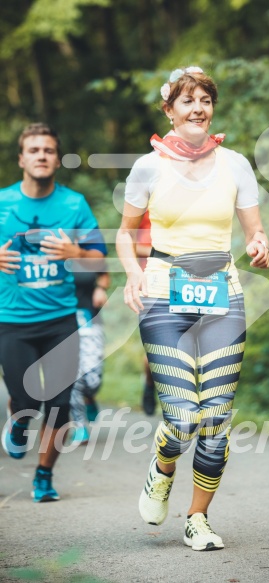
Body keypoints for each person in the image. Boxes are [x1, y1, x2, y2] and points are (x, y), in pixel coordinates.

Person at [116, 66, 269, 551]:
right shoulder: (148, 167)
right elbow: (125, 232)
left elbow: (254, 231)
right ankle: (162, 469)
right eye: (187, 100)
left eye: (205, 99)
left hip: (223, 295)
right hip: (164, 293)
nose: (198, 107)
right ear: (169, 109)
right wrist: (133, 272)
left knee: (218, 414)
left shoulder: (236, 164)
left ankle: (197, 518)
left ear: (212, 108)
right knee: (182, 416)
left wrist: (261, 243)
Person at [0, 122, 107, 502]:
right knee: (26, 401)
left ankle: (44, 475)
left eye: (48, 150)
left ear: (56, 159)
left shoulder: (73, 204)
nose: (41, 155)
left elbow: (99, 259)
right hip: (11, 321)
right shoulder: (2, 202)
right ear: (21, 159)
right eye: (34, 150)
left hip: (60, 319)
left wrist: (75, 254)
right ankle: (17, 425)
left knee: (60, 406)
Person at [70, 269, 110, 445]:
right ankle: (80, 426)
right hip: (61, 326)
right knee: (71, 379)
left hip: (90, 322)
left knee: (93, 379)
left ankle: (89, 396)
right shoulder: (45, 250)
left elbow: (104, 273)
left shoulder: (88, 251)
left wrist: (100, 288)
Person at [135, 211, 156, 416]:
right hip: (151, 287)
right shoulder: (145, 211)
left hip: (189, 284)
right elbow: (132, 245)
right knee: (153, 349)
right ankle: (150, 385)